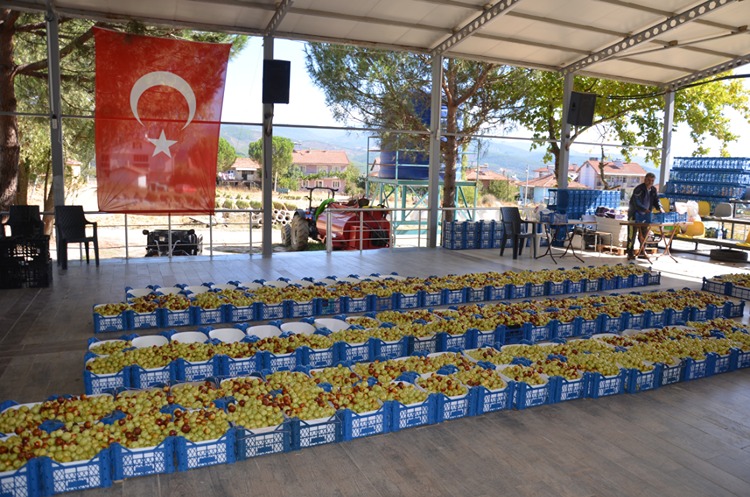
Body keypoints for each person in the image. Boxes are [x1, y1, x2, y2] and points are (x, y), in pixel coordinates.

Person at [627, 172, 664, 260]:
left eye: (652, 181)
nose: (650, 182)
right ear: (645, 179)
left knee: (644, 234)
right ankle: (630, 252)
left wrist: (660, 208)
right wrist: (644, 209)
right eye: (648, 180)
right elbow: (636, 202)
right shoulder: (639, 189)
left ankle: (642, 251)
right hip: (634, 214)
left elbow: (656, 200)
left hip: (646, 216)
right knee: (632, 235)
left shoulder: (653, 190)